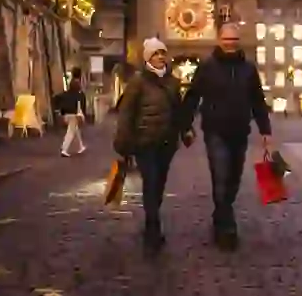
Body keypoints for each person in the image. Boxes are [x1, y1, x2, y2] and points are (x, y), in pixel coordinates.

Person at [182, 23, 272, 251]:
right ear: (219, 40)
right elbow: (193, 96)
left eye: (234, 40)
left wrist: (265, 130)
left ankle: (221, 213)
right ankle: (226, 227)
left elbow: (258, 101)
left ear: (238, 41)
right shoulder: (207, 67)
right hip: (215, 131)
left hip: (240, 132)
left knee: (233, 178)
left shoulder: (248, 69)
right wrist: (186, 125)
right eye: (226, 39)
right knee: (220, 176)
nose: (230, 44)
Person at [114, 38, 187, 256]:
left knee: (159, 184)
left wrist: (186, 130)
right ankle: (153, 228)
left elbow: (179, 110)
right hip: (144, 142)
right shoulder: (138, 82)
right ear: (148, 58)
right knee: (151, 181)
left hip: (167, 142)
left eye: (163, 53)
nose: (160, 57)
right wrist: (123, 143)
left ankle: (151, 221)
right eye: (156, 54)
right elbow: (126, 113)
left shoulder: (173, 82)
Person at [57, 71, 88, 157]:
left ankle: (80, 146)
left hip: (65, 116)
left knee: (75, 130)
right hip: (74, 115)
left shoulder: (65, 94)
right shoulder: (79, 95)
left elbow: (57, 99)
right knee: (71, 132)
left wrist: (59, 111)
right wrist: (82, 115)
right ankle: (64, 149)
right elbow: (80, 106)